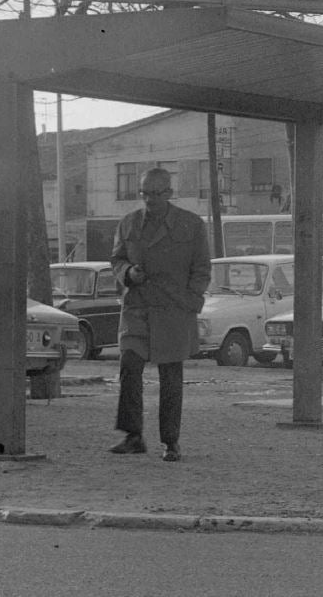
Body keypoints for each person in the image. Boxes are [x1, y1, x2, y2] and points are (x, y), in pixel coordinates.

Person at [109, 167, 211, 462]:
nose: (149, 200)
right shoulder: (128, 223)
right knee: (129, 365)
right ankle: (133, 436)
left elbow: (202, 267)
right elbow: (117, 258)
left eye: (156, 193)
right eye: (144, 193)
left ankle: (171, 441)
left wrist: (191, 299)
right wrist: (128, 272)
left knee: (170, 377)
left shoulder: (191, 225)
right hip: (137, 307)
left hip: (173, 309)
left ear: (169, 192)